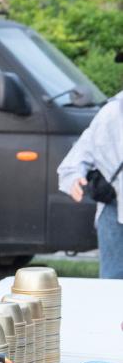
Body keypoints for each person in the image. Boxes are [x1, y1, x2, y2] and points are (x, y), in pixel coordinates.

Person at [58, 89, 123, 279]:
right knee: (113, 284)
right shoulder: (113, 112)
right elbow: (78, 156)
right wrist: (74, 177)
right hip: (115, 213)